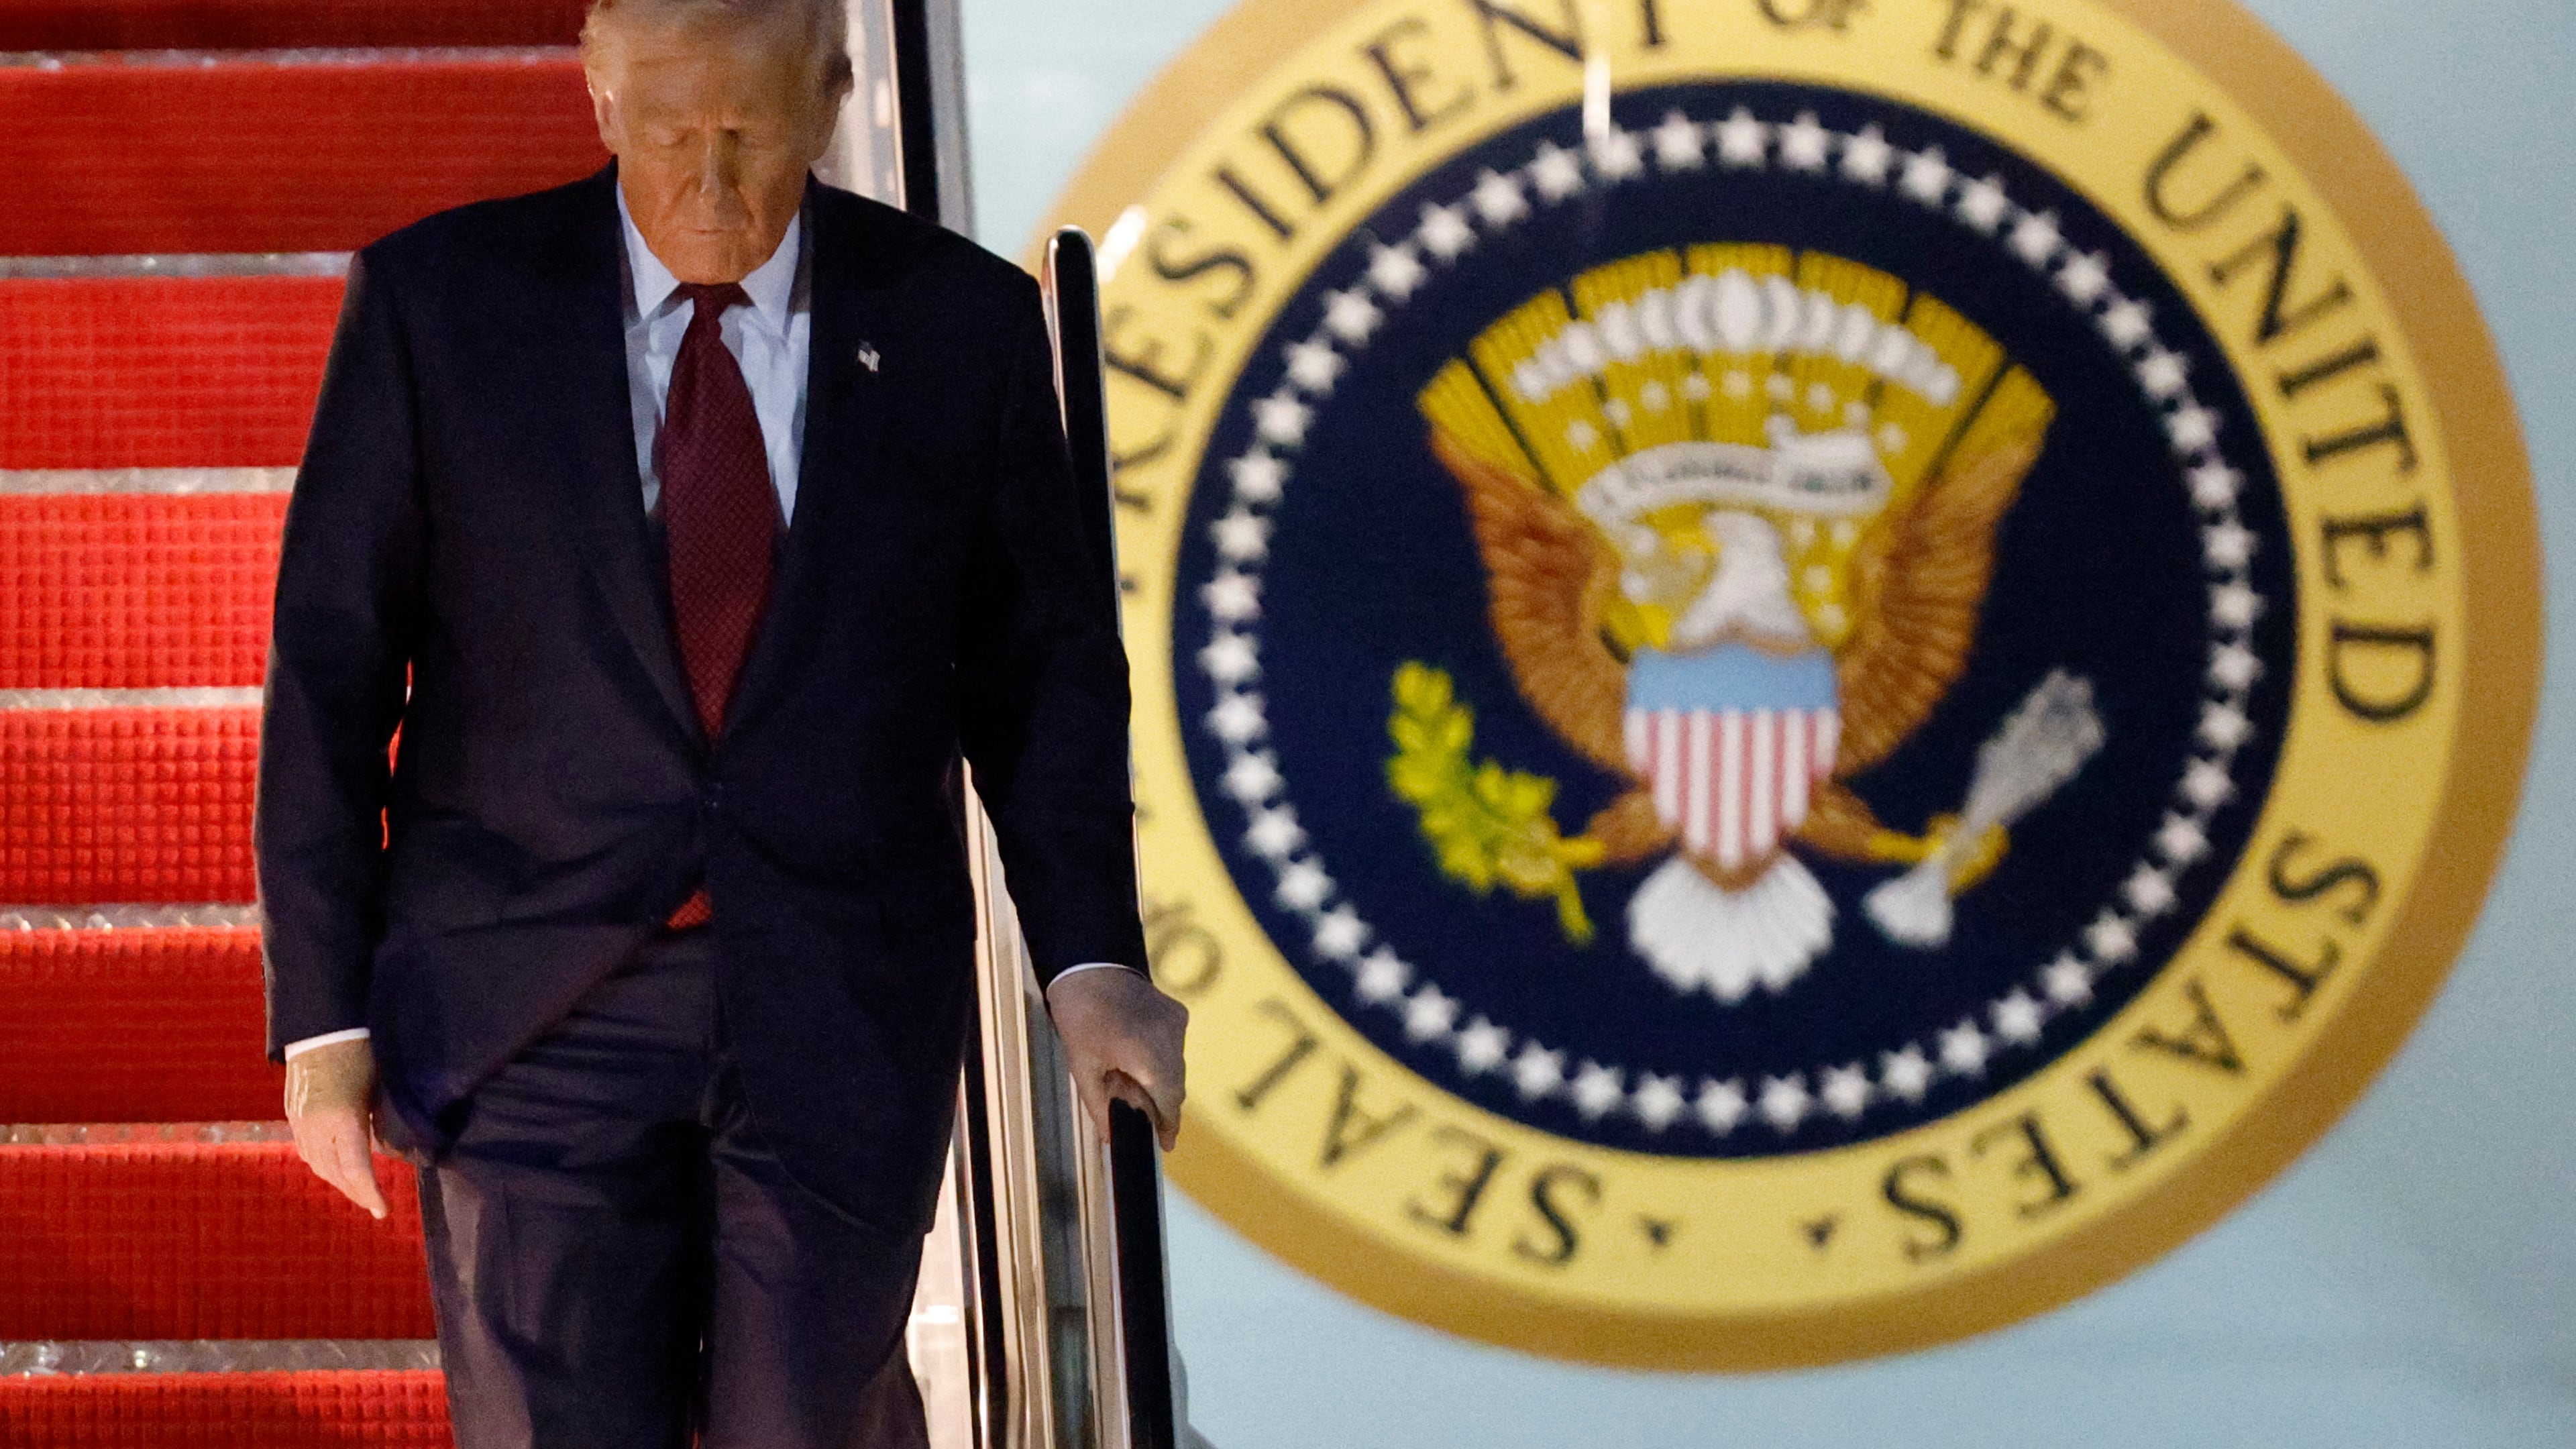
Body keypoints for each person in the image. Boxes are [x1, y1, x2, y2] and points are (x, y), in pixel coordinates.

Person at [254, 0, 1187, 1442]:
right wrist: (324, 1019)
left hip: (840, 998)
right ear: (603, 103)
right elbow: (331, 671)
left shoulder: (958, 326)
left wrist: (1090, 959)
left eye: (751, 133)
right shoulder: (442, 306)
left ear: (831, 99)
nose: (713, 179)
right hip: (525, 1007)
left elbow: (1043, 677)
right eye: (676, 132)